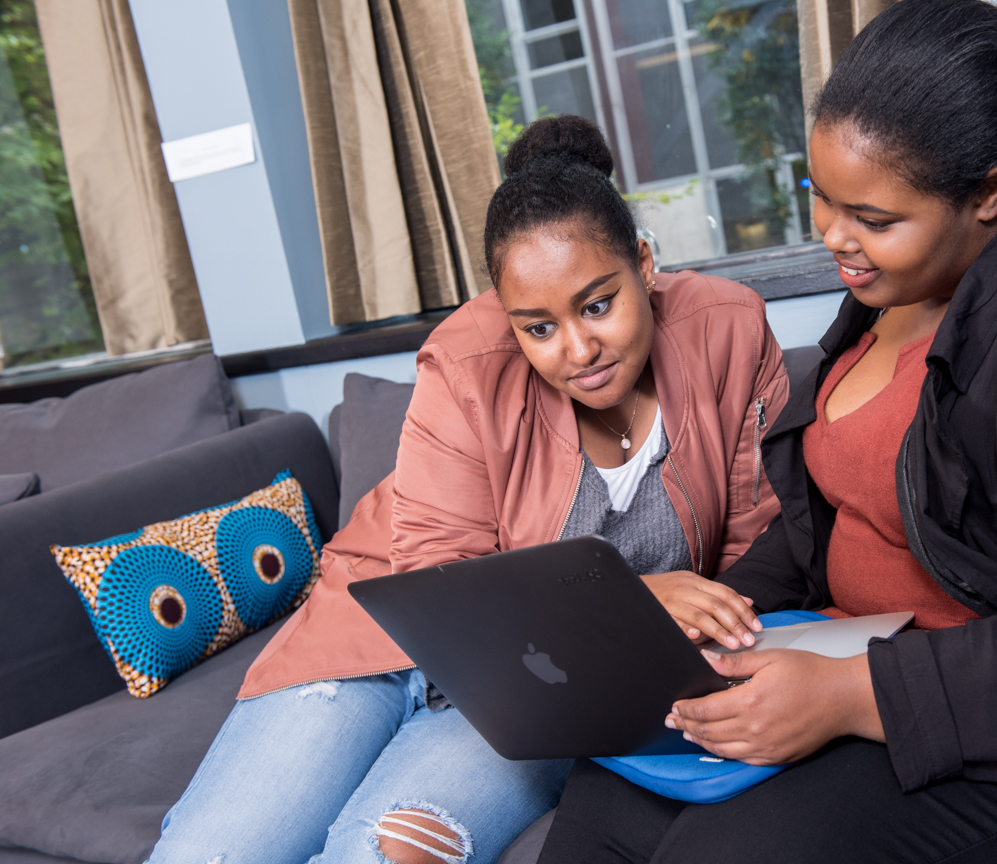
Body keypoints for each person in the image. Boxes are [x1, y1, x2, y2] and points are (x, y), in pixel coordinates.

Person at [536, 2, 997, 863]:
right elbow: (833, 511)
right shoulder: (890, 290)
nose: (834, 237)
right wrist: (725, 615)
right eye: (820, 197)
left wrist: (850, 697)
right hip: (873, 667)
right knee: (612, 794)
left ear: (989, 193)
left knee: (741, 847)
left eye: (873, 218)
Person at [146, 115, 789, 864]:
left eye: (596, 304)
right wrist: (638, 598)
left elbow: (758, 539)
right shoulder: (463, 361)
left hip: (536, 685)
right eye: (537, 328)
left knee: (380, 855)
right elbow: (437, 583)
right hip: (376, 643)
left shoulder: (728, 331)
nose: (577, 351)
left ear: (644, 264)